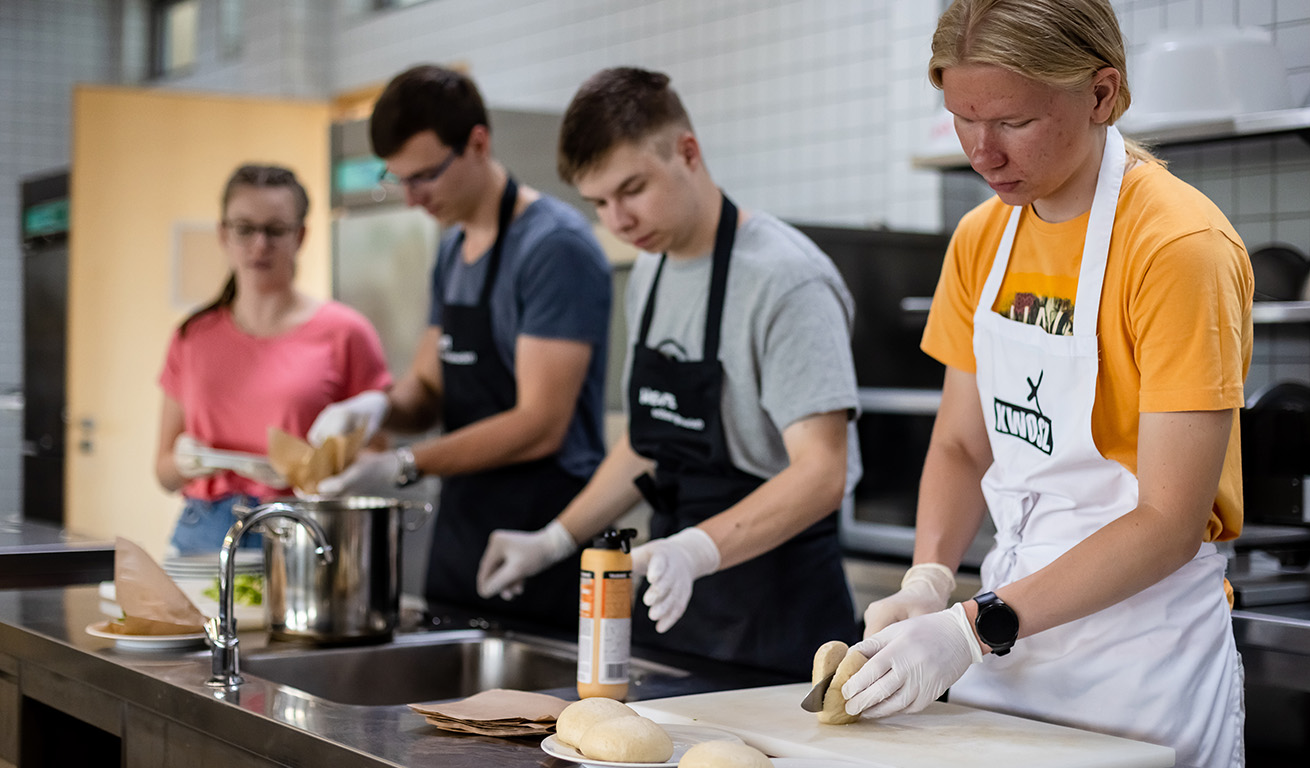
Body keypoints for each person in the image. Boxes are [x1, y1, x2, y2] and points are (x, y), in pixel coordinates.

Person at [842, 2, 1251, 766]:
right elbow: (964, 446)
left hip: (1139, 663)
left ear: (1102, 94)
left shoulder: (1178, 247)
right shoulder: (982, 239)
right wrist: (931, 581)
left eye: (1012, 122)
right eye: (962, 118)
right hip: (1006, 650)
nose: (982, 152)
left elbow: (1167, 519)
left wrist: (970, 627)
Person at [476, 67, 862, 677]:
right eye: (599, 202)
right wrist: (554, 539)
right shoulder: (652, 272)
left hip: (778, 618)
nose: (618, 221)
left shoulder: (786, 280)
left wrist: (696, 549)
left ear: (687, 152)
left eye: (632, 189)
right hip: (677, 614)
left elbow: (822, 472)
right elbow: (650, 440)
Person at [307, 65, 613, 629]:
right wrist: (374, 406)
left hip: (538, 535)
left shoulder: (553, 249)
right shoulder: (452, 252)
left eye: (425, 176)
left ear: (478, 143)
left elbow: (540, 422)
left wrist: (402, 464)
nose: (412, 197)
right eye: (398, 179)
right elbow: (426, 390)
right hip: (462, 528)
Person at [155, 163, 391, 557]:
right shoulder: (192, 336)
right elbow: (163, 471)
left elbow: (378, 453)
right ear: (223, 234)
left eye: (275, 230)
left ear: (300, 235)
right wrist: (186, 462)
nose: (259, 245)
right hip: (202, 536)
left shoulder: (346, 332)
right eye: (245, 229)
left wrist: (328, 471)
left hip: (301, 534)